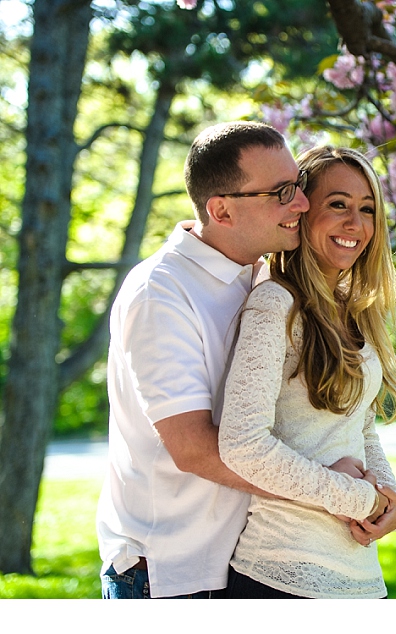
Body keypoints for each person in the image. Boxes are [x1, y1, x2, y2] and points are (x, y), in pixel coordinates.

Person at [96, 121, 310, 599]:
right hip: (172, 573)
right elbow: (192, 447)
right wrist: (327, 496)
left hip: (243, 563)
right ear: (221, 210)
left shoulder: (262, 279)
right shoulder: (162, 292)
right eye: (281, 192)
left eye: (298, 186)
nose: (302, 204)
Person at [218, 146, 396, 599]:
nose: (356, 224)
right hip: (281, 574)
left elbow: (360, 426)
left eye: (367, 210)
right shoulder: (275, 306)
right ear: (302, 213)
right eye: (338, 205)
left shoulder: (353, 310)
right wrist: (358, 498)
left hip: (360, 576)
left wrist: (392, 499)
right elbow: (242, 444)